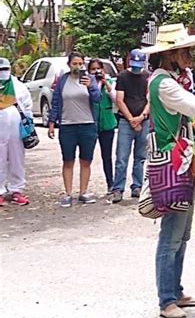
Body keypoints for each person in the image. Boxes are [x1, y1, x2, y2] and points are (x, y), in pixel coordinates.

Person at [140, 23, 195, 318]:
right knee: (171, 235)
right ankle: (166, 297)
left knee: (181, 235)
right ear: (171, 54)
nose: (190, 55)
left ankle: (175, 291)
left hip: (181, 159)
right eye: (186, 51)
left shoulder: (172, 79)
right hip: (172, 162)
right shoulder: (164, 84)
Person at [48, 51, 100, 207]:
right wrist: (52, 122)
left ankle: (83, 192)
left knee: (86, 160)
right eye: (74, 64)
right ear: (69, 65)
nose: (77, 67)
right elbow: (56, 101)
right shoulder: (63, 80)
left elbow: (98, 98)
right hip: (67, 125)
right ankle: (68, 193)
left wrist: (90, 87)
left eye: (80, 64)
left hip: (87, 124)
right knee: (68, 160)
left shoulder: (89, 79)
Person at [111, 49, 150, 203]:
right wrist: (131, 119)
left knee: (140, 157)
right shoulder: (122, 77)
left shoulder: (147, 76)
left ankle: (137, 186)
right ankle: (118, 188)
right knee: (121, 157)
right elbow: (119, 100)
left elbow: (150, 100)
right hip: (125, 121)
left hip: (143, 120)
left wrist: (141, 117)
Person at [0, 57, 32, 206]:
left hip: (16, 129)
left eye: (5, 70)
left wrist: (29, 125)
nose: (3, 73)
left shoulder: (18, 86)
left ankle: (16, 189)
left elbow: (27, 106)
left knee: (17, 158)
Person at [88, 58, 117, 194]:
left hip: (107, 123)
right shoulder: (87, 84)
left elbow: (115, 98)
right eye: (93, 69)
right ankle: (84, 186)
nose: (96, 72)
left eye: (98, 69)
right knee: (87, 156)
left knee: (107, 156)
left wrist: (105, 83)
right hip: (91, 123)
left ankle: (110, 183)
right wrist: (94, 84)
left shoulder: (109, 82)